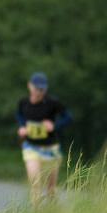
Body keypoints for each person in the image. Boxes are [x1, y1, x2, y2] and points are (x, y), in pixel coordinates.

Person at [16, 72, 71, 205]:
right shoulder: (23, 103)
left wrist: (54, 125)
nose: (40, 92)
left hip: (51, 149)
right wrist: (22, 128)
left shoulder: (52, 103)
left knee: (50, 189)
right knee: (35, 184)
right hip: (31, 148)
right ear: (30, 86)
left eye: (43, 89)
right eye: (37, 89)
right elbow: (19, 115)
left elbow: (68, 117)